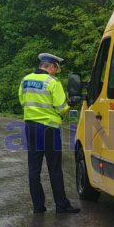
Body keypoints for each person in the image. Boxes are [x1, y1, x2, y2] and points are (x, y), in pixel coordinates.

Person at [19, 53, 80, 214]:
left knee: (34, 168)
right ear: (51, 67)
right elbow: (61, 108)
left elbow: (22, 101)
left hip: (31, 127)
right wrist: (71, 104)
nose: (56, 72)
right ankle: (61, 205)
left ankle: (38, 206)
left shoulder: (25, 80)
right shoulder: (52, 82)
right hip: (49, 129)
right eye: (56, 69)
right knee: (54, 168)